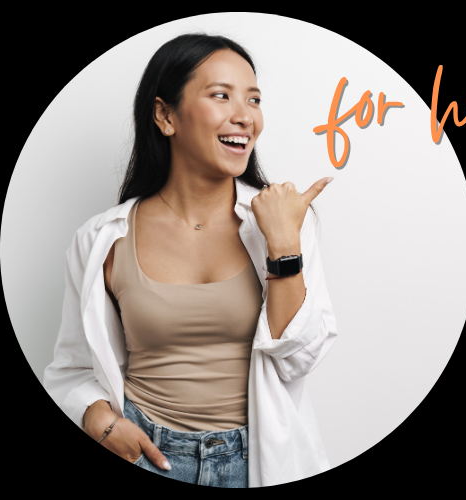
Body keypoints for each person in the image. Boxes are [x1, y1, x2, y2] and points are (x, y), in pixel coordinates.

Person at [43, 33, 338, 488]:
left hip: (256, 460)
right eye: (221, 95)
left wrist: (283, 246)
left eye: (253, 99)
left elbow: (297, 360)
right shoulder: (104, 239)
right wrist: (100, 423)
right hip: (145, 450)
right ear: (165, 115)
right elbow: (74, 366)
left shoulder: (282, 222)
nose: (245, 116)